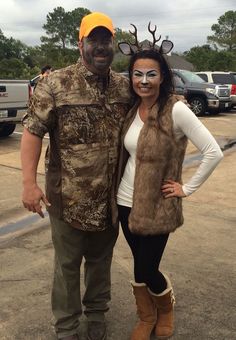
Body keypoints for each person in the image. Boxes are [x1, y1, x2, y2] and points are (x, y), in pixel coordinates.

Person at [21, 12, 130, 340]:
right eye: (94, 40)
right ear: (80, 43)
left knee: (100, 263)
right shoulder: (54, 83)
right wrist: (29, 183)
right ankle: (67, 327)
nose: (101, 47)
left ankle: (96, 316)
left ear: (113, 44)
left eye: (106, 40)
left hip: (110, 200)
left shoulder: (126, 87)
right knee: (67, 268)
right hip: (66, 198)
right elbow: (32, 132)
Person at [116, 26, 223, 340]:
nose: (144, 81)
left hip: (158, 205)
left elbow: (213, 151)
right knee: (139, 264)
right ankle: (145, 317)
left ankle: (165, 309)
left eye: (151, 74)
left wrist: (186, 188)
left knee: (149, 267)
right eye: (137, 75)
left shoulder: (175, 109)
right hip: (124, 201)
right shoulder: (132, 109)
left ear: (163, 76)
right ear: (131, 77)